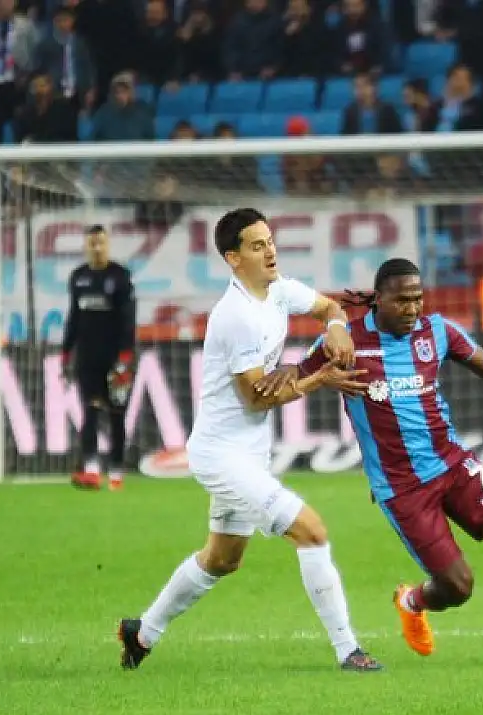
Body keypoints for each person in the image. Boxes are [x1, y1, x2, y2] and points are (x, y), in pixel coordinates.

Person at [271, 258, 483, 666]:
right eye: (402, 300)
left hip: (452, 463)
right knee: (458, 587)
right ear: (378, 300)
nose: (412, 308)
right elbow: (295, 374)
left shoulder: (437, 331)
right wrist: (303, 376)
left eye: (417, 299)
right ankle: (411, 601)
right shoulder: (346, 342)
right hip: (402, 487)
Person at [117, 208, 383, 673]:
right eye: (257, 246)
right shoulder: (235, 316)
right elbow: (256, 398)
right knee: (312, 531)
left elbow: (329, 307)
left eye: (270, 241)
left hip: (249, 453)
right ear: (233, 258)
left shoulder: (278, 291)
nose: (270, 251)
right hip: (221, 455)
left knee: (222, 559)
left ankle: (142, 633)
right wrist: (319, 379)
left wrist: (337, 327)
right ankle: (349, 650)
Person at [61, 226, 136, 491]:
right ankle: (91, 470)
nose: (97, 248)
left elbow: (128, 319)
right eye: (92, 243)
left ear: (108, 245)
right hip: (87, 357)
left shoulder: (120, 276)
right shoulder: (78, 277)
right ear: (86, 246)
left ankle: (116, 470)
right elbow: (74, 316)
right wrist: (66, 352)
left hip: (115, 358)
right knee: (90, 410)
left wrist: (125, 357)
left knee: (116, 414)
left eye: (101, 243)